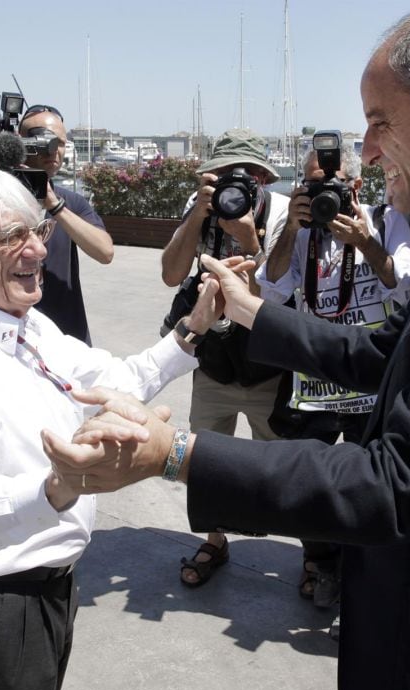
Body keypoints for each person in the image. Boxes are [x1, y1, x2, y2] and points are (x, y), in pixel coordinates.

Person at [43, 3, 410, 690]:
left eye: (380, 122)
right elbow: (389, 355)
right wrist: (253, 312)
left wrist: (172, 456)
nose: (369, 150)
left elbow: (402, 482)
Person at [0, 166, 222, 690]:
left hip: (52, 587)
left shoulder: (25, 324)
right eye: (9, 237)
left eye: (36, 230)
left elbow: (114, 380)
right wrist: (57, 487)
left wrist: (194, 326)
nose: (38, 251)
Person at [259, 140, 410, 611]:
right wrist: (291, 230)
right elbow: (271, 291)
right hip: (317, 381)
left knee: (375, 486)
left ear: (356, 185)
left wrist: (364, 242)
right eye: (311, 184)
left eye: (332, 185)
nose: (322, 192)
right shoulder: (299, 230)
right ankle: (322, 562)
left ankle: (364, 575)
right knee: (309, 483)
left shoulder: (385, 220)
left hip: (372, 381)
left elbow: (404, 287)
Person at [158, 128, 289, 587]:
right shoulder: (202, 211)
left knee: (285, 460)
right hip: (214, 359)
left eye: (247, 174)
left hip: (267, 364)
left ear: (263, 179)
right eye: (224, 174)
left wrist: (250, 241)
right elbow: (171, 273)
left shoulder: (283, 215)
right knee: (208, 455)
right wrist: (197, 214)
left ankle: (316, 550)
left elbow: (271, 299)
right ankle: (215, 539)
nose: (237, 183)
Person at [19, 104, 114, 345]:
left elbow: (105, 252)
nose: (54, 150)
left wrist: (55, 206)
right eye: (44, 141)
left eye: (60, 142)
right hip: (13, 337)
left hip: (68, 336)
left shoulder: (72, 202)